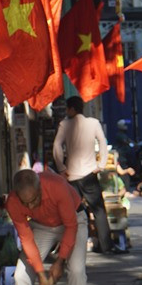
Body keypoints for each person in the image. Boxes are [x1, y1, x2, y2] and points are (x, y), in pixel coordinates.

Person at [6, 169, 89, 285]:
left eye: (35, 199)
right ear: (17, 195)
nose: (32, 205)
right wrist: (40, 272)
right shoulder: (12, 202)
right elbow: (26, 238)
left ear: (40, 188)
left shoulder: (56, 186)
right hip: (42, 226)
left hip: (74, 219)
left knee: (76, 270)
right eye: (26, 203)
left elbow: (70, 226)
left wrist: (60, 261)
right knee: (21, 275)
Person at [52, 96, 120, 254]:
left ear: (72, 109)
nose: (67, 111)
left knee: (71, 212)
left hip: (71, 175)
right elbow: (103, 142)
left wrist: (61, 167)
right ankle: (106, 246)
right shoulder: (93, 123)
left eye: (68, 108)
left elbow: (56, 145)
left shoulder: (64, 125)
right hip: (89, 174)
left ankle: (70, 247)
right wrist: (101, 164)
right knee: (98, 210)